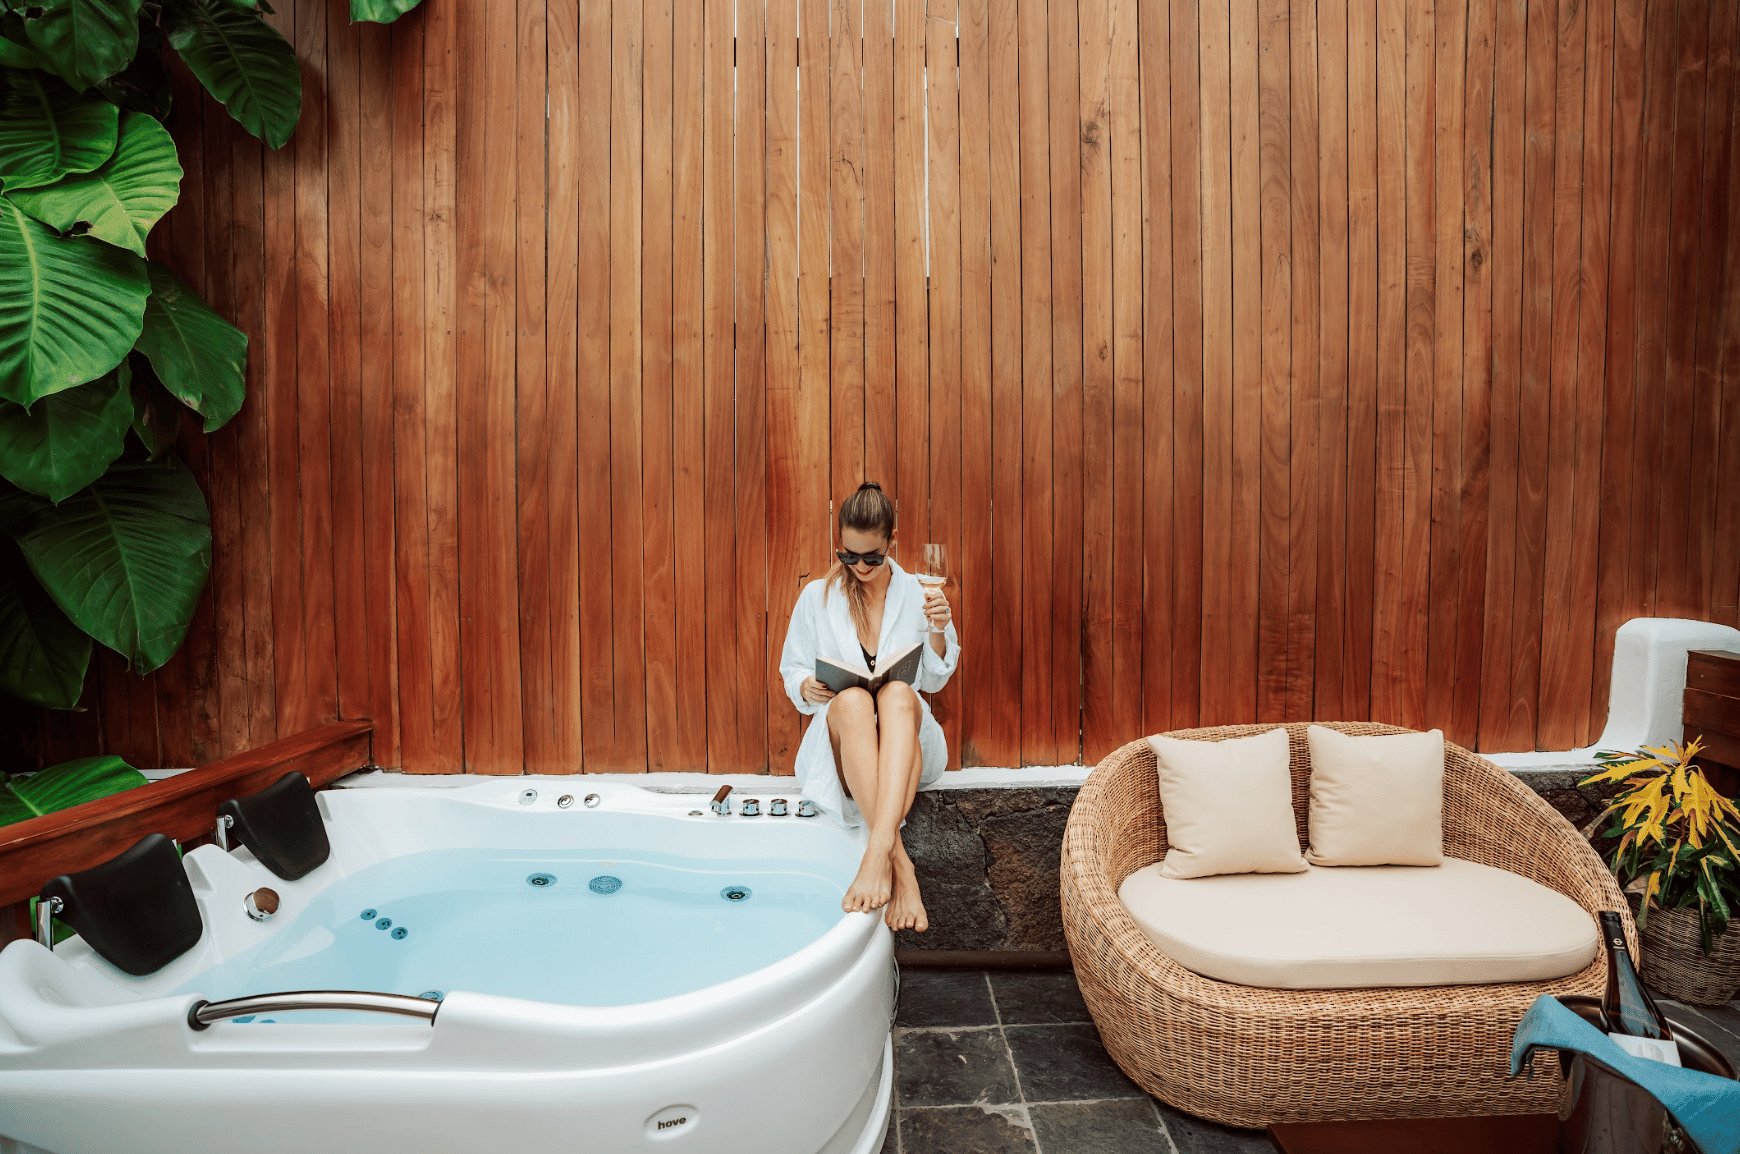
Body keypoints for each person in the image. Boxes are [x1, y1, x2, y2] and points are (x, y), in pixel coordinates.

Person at [778, 481, 959, 932]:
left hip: (907, 740)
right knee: (856, 699)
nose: (860, 567)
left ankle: (878, 854)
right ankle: (902, 867)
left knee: (899, 693)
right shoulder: (816, 597)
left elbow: (934, 679)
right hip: (848, 741)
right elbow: (792, 668)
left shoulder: (920, 593)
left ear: (891, 542)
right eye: (849, 556)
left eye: (872, 557)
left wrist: (938, 629)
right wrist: (807, 686)